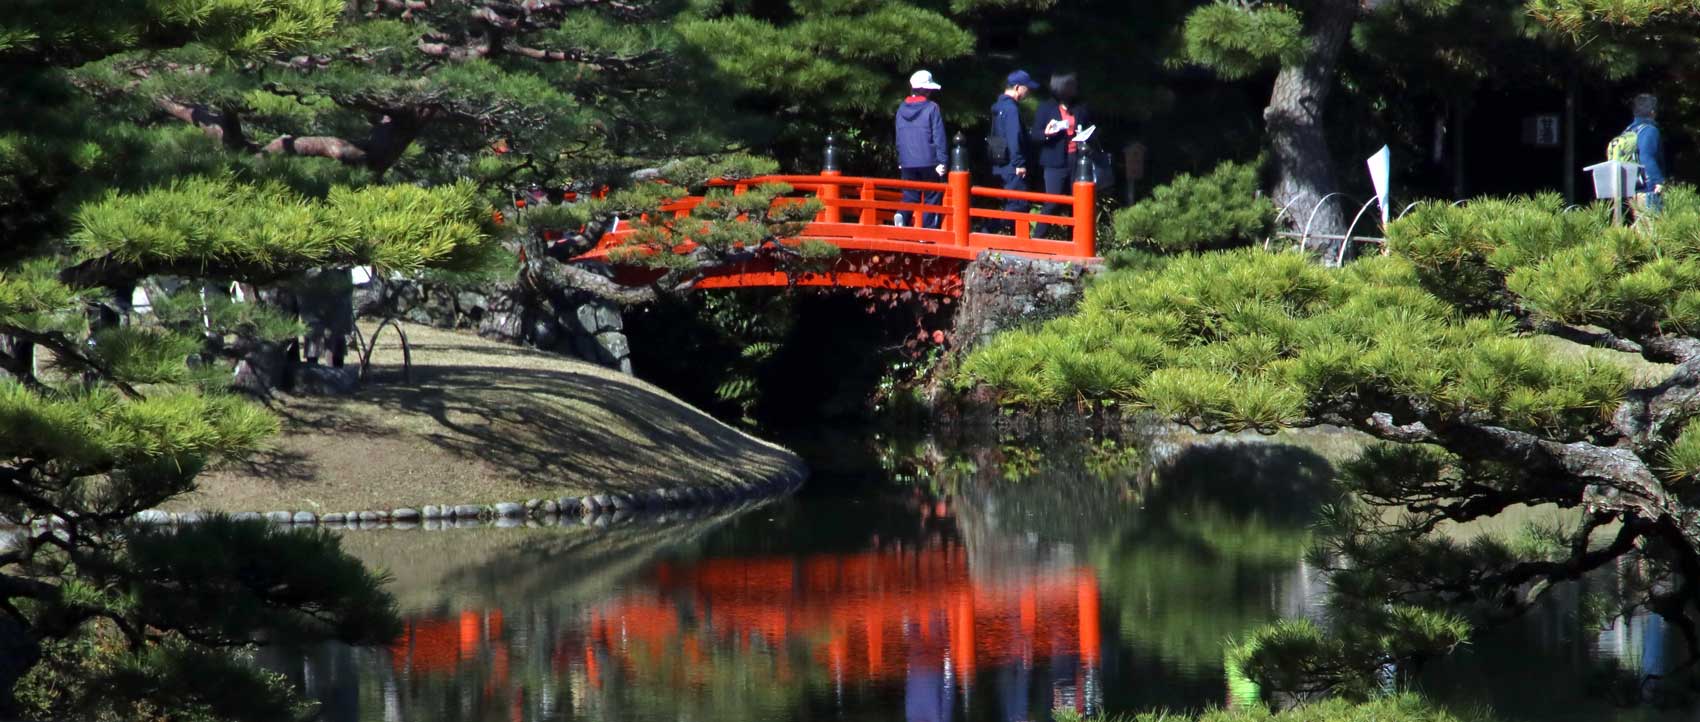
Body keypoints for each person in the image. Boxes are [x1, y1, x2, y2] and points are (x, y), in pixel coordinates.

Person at [1031, 72, 1093, 237]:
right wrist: (1047, 133)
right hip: (1054, 161)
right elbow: (1035, 134)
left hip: (1076, 158)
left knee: (1077, 202)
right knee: (1052, 201)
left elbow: (1090, 127)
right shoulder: (1046, 107)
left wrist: (1087, 136)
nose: (1073, 89)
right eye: (1069, 86)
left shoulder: (1080, 108)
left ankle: (1074, 239)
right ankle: (1037, 239)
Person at [895, 70, 948, 229]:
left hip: (907, 160)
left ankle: (902, 216)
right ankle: (928, 231)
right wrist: (942, 160)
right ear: (926, 90)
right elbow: (939, 136)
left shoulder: (901, 109)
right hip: (929, 160)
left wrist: (900, 159)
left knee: (910, 195)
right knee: (933, 195)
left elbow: (899, 136)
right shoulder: (932, 108)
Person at [989, 69, 1040, 234]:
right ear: (1018, 87)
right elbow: (1014, 136)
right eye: (1027, 88)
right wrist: (1019, 163)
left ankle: (993, 231)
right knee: (1018, 204)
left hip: (1000, 160)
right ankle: (989, 231)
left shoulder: (998, 107)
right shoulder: (1011, 109)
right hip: (1012, 164)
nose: (1029, 91)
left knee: (1011, 202)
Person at [1608, 93, 1667, 216]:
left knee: (1640, 230)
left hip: (1632, 188)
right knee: (1652, 230)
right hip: (1648, 190)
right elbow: (1646, 157)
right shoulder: (1649, 130)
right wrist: (1658, 181)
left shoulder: (1629, 130)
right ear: (1652, 112)